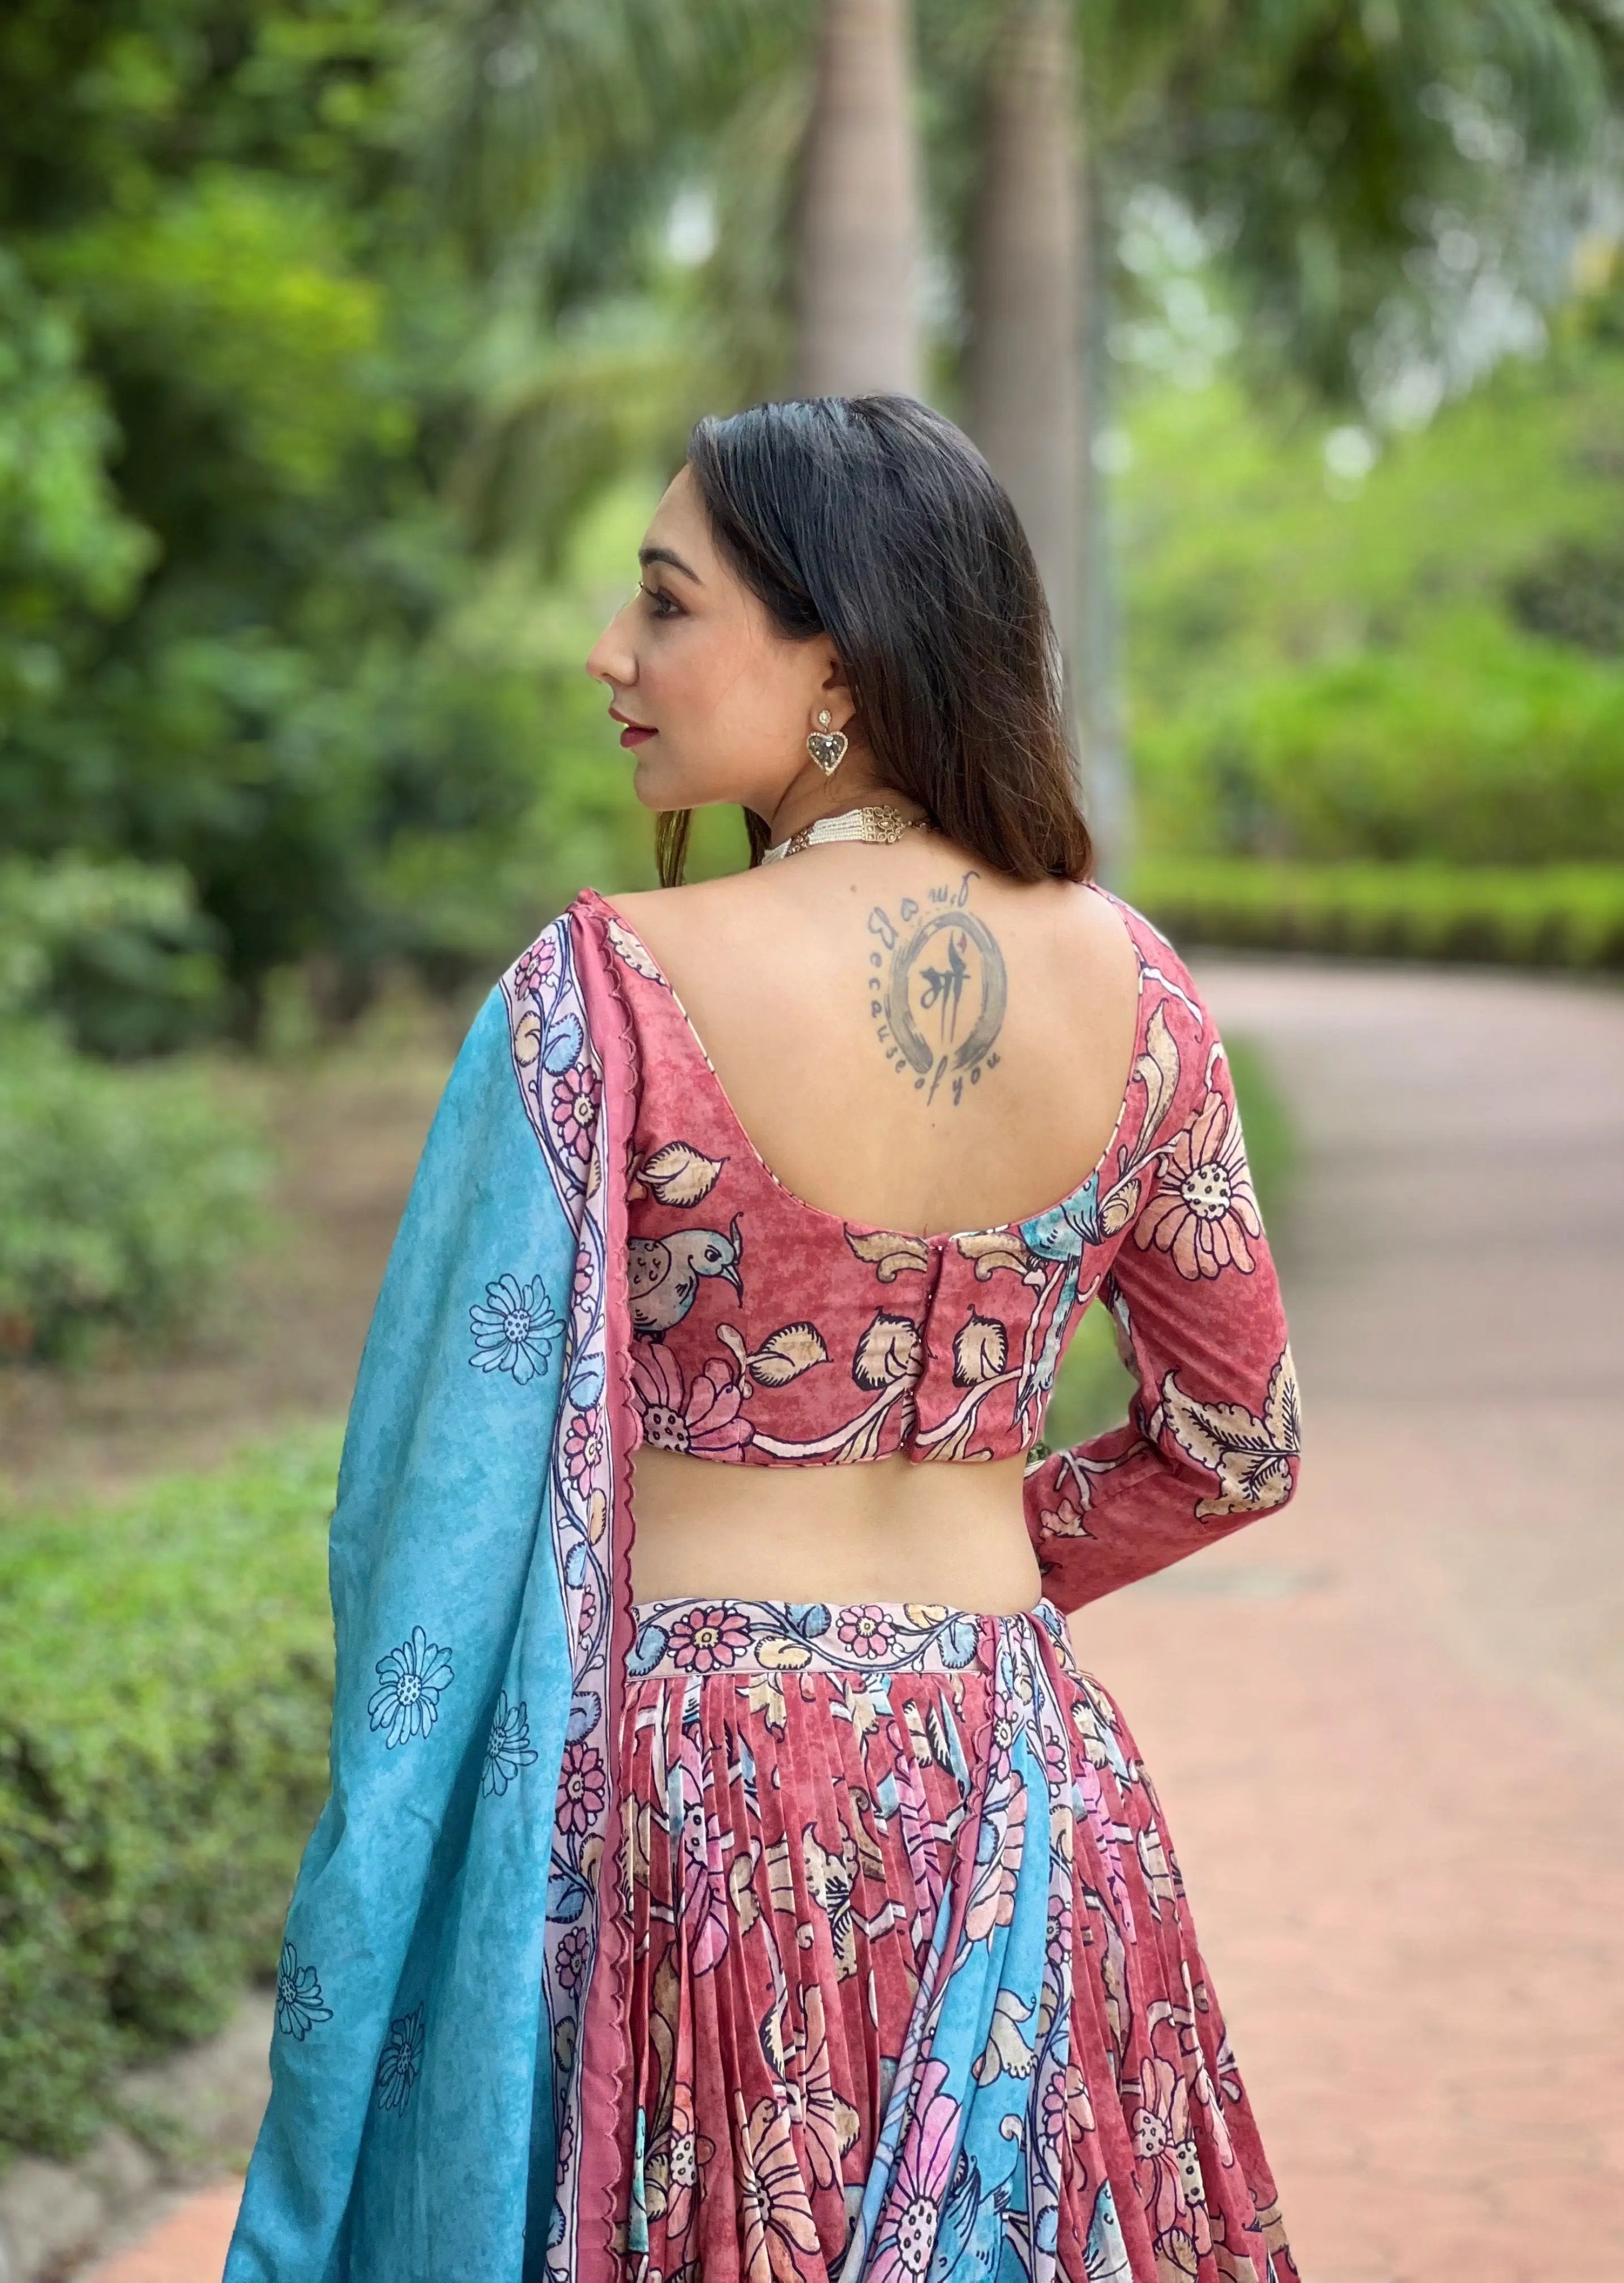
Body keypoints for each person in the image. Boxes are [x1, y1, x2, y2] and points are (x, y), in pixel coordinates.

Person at [223, 396, 1302, 2283]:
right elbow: (1236, 1443)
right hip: (1019, 1775)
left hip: (705, 1800)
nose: (609, 655)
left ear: (838, 655)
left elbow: (434, 1514)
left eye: (664, 605)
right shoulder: (1142, 994)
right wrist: (951, 1576)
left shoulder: (608, 991)